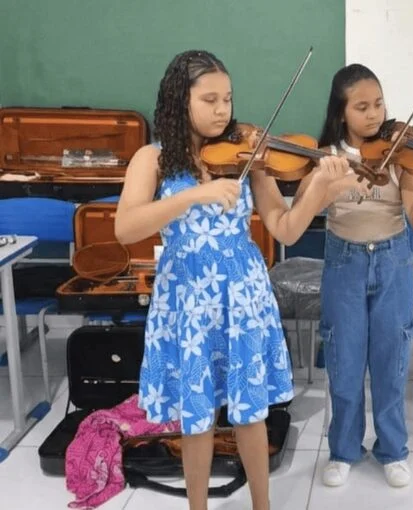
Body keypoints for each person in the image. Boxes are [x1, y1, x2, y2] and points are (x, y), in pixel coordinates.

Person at [114, 50, 366, 510]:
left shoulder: (250, 155)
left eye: (227, 99)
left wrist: (319, 190)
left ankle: (261, 506)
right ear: (180, 101)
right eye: (209, 99)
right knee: (196, 419)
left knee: (250, 413)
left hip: (243, 295)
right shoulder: (152, 159)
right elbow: (126, 227)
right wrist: (196, 194)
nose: (222, 110)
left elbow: (285, 228)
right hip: (186, 301)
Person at [295, 63, 413, 488]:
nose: (373, 115)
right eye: (361, 107)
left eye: (378, 104)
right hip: (344, 262)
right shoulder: (326, 156)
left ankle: (393, 449)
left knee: (391, 359)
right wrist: (331, 183)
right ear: (341, 112)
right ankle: (344, 449)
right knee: (344, 360)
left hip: (392, 260)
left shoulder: (400, 153)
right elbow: (304, 211)